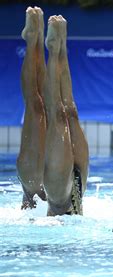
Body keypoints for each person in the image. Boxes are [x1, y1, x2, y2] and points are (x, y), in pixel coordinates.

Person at [43, 15, 89, 216]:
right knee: (68, 111)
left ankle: (56, 48)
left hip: (59, 199)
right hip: (70, 199)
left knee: (62, 113)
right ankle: (57, 47)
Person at [17, 7, 47, 210]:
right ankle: (36, 38)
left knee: (37, 104)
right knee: (40, 104)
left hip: (34, 182)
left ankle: (34, 40)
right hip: (38, 185)